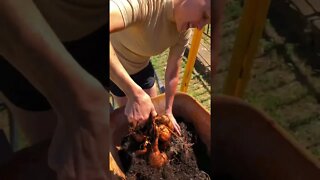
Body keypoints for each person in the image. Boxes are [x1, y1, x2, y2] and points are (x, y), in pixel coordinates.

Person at [109, 0, 211, 136]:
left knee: (153, 121)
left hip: (142, 67)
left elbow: (173, 72)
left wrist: (168, 110)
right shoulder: (145, 4)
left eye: (206, 23)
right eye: (204, 15)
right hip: (115, 74)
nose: (200, 27)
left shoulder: (184, 31)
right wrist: (134, 93)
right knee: (133, 127)